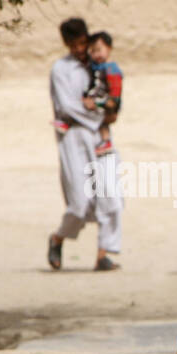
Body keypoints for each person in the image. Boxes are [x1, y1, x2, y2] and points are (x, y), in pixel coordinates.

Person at [47, 17, 123, 272]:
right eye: (74, 45)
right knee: (79, 202)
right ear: (66, 44)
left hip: (101, 135)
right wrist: (98, 117)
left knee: (109, 193)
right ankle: (58, 238)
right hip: (74, 136)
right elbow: (67, 106)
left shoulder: (98, 63)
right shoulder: (61, 69)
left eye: (82, 43)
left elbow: (110, 94)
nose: (80, 49)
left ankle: (104, 254)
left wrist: (109, 111)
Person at [85, 31, 123, 157]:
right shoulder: (97, 67)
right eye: (93, 51)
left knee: (101, 120)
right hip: (100, 99)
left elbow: (116, 89)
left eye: (99, 50)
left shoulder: (111, 68)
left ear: (109, 48)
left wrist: (111, 103)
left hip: (105, 101)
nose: (97, 54)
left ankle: (106, 141)